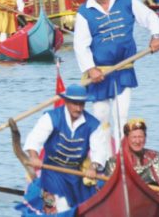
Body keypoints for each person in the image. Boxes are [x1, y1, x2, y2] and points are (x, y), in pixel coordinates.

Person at [74, 0, 159, 148]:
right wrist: (91, 69)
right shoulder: (84, 12)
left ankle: (120, 159)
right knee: (101, 117)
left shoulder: (126, 0)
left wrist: (156, 36)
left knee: (122, 115)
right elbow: (80, 46)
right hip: (99, 74)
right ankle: (104, 159)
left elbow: (150, 17)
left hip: (124, 69)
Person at [23, 84, 109, 213]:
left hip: (75, 172)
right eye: (75, 104)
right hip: (52, 170)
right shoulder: (51, 117)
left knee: (83, 207)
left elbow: (100, 150)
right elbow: (35, 139)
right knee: (61, 205)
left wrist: (93, 167)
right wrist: (34, 157)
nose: (79, 108)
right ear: (67, 102)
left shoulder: (93, 124)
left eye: (82, 104)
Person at [104, 119, 159, 189]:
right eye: (134, 137)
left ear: (145, 138)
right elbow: (108, 188)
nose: (137, 141)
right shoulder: (113, 162)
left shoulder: (155, 157)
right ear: (127, 139)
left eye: (140, 137)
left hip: (153, 196)